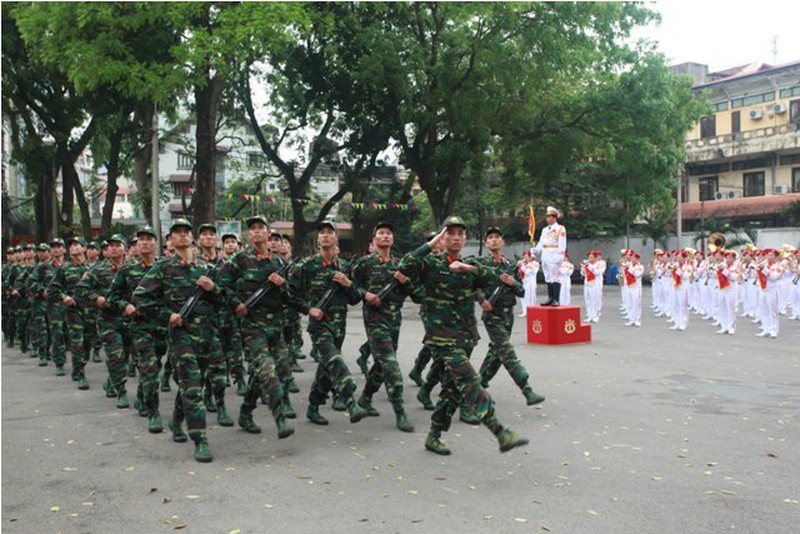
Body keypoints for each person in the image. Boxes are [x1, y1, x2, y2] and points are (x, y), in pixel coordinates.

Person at [398, 216, 529, 455]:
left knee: (451, 390)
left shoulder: (470, 265)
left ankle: (433, 436)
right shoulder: (431, 263)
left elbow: (493, 277)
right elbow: (405, 266)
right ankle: (500, 431)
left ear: (466, 238)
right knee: (470, 380)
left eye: (460, 233)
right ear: (443, 237)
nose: (456, 237)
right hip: (442, 337)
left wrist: (468, 268)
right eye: (450, 233)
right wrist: (430, 244)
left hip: (466, 336)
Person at [133, 219, 226, 462]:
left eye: (186, 232)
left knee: (194, 383)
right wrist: (167, 316)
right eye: (177, 233)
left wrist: (213, 288)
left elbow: (225, 301)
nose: (182, 236)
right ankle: (200, 439)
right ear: (170, 240)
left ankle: (176, 420)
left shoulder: (206, 268)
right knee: (192, 386)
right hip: (180, 335)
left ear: (192, 238)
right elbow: (140, 297)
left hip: (206, 334)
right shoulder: (163, 268)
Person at [218, 215, 295, 439]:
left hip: (275, 326)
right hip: (252, 326)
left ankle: (246, 411)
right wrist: (236, 304)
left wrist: (283, 285)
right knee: (267, 370)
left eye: (261, 227)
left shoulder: (279, 263)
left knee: (281, 370)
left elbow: (292, 296)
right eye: (253, 228)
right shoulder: (239, 259)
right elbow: (222, 285)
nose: (257, 231)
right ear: (249, 234)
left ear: (268, 232)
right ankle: (280, 419)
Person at [288, 220, 367, 426]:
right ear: (318, 239)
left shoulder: (345, 267)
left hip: (339, 326)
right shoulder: (306, 266)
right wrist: (309, 309)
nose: (324, 235)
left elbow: (355, 298)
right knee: (335, 361)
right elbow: (289, 295)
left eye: (329, 232)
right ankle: (350, 402)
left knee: (326, 368)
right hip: (319, 326)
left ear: (336, 238)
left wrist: (348, 285)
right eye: (321, 232)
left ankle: (313, 407)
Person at [351, 222, 415, 432]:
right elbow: (352, 287)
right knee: (390, 364)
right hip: (374, 318)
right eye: (381, 233)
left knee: (381, 362)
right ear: (374, 239)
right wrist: (365, 294)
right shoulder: (364, 263)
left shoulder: (400, 265)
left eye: (389, 233)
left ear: (393, 239)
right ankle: (400, 411)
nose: (386, 236)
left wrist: (405, 281)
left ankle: (365, 397)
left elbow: (416, 294)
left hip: (394, 318)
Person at [476, 227, 545, 407]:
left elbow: (522, 291)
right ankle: (526, 389)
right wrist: (482, 300)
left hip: (508, 315)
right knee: (506, 351)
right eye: (490, 237)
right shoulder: (481, 263)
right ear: (486, 243)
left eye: (497, 237)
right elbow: (473, 286)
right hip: (492, 314)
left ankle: (478, 386)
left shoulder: (510, 266)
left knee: (497, 353)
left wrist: (512, 282)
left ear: (502, 241)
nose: (494, 240)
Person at [533, 206, 567, 306]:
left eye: (550, 216)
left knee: (555, 277)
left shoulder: (560, 228)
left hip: (554, 254)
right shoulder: (545, 230)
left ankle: (556, 299)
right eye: (547, 217)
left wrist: (560, 256)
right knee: (548, 277)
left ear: (555, 217)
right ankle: (550, 298)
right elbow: (541, 242)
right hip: (545, 254)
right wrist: (536, 250)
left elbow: (562, 243)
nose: (548, 218)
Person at [581, 250, 606, 323]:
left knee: (595, 300)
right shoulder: (587, 265)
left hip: (595, 284)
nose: (589, 258)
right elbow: (583, 274)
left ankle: (595, 316)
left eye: (591, 257)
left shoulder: (598, 264)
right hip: (587, 284)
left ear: (595, 258)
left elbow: (597, 272)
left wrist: (589, 265)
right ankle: (590, 315)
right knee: (588, 300)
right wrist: (583, 267)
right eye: (589, 257)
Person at [518, 251, 539, 317]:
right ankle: (525, 311)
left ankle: (531, 311)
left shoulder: (534, 263)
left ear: (530, 257)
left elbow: (528, 272)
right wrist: (519, 266)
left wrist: (522, 266)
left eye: (526, 256)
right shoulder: (524, 264)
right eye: (524, 256)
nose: (525, 258)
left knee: (530, 297)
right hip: (523, 282)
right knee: (523, 297)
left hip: (530, 283)